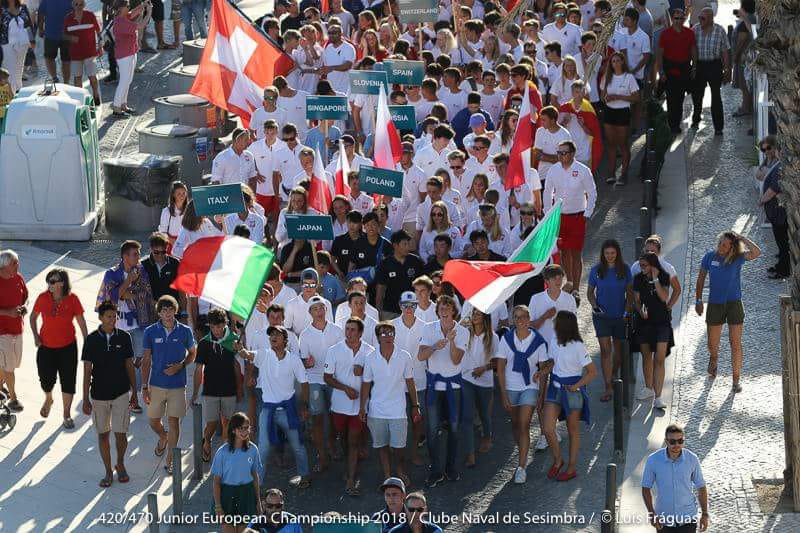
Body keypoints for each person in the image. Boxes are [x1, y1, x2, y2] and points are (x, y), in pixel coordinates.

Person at [242, 325, 311, 488]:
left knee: (298, 446)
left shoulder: (294, 359)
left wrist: (304, 406)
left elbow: (305, 382)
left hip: (288, 411)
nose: (273, 337)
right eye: (271, 334)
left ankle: (305, 476)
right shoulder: (264, 355)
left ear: (285, 340)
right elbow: (247, 355)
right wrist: (240, 349)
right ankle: (257, 485)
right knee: (263, 449)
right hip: (268, 410)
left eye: (277, 334)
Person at [695, 231, 761, 393]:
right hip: (715, 304)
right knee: (712, 343)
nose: (720, 247)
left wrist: (743, 238)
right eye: (719, 243)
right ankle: (714, 357)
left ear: (732, 247)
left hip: (734, 304)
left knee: (735, 344)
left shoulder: (738, 257)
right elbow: (701, 278)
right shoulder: (709, 257)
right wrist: (698, 300)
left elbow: (756, 252)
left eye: (724, 245)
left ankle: (736, 380)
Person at [96, 240, 156, 414]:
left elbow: (143, 292)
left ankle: (134, 397)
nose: (139, 257)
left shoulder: (142, 270)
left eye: (138, 253)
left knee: (139, 359)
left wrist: (124, 292)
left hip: (139, 322)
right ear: (125, 256)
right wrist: (128, 281)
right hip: (117, 325)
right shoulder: (111, 273)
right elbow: (113, 296)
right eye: (135, 254)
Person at [81, 301, 137, 487]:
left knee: (121, 434)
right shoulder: (91, 340)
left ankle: (120, 463)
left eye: (115, 316)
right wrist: (85, 398)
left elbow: (129, 365)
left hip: (121, 393)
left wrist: (134, 392)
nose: (112, 319)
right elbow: (87, 370)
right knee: (103, 434)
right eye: (109, 316)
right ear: (100, 318)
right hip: (98, 395)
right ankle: (107, 471)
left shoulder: (125, 337)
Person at [141, 295, 197, 474]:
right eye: (163, 310)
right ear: (159, 312)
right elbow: (146, 359)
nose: (167, 313)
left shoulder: (185, 331)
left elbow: (192, 354)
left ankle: (170, 460)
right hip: (156, 384)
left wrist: (181, 366)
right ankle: (163, 437)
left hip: (178, 385)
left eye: (170, 309)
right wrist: (144, 386)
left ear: (175, 310)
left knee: (174, 422)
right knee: (153, 420)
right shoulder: (150, 332)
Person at [494, 305, 549, 484]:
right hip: (510, 388)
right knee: (516, 425)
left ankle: (521, 467)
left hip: (529, 387)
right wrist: (502, 394)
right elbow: (500, 369)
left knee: (524, 425)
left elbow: (543, 370)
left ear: (529, 319)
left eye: (523, 317)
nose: (520, 320)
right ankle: (523, 450)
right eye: (516, 317)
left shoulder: (538, 341)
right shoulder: (506, 340)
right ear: (513, 320)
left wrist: (541, 395)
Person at [360, 321, 418, 487]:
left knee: (399, 447)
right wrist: (362, 407)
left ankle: (399, 471)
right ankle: (387, 474)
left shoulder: (404, 356)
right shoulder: (370, 358)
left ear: (394, 336)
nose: (387, 336)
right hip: (376, 411)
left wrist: (416, 406)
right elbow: (366, 384)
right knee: (382, 445)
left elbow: (410, 382)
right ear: (378, 338)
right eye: (383, 333)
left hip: (398, 411)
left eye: (390, 333)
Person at [418, 295, 468, 487]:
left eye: (448, 308)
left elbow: (456, 360)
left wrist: (452, 342)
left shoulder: (462, 331)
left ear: (454, 311)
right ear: (437, 310)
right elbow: (421, 356)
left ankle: (450, 467)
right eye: (441, 308)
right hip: (434, 386)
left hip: (453, 388)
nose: (445, 311)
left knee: (454, 429)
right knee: (431, 430)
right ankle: (435, 469)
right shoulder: (428, 328)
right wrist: (434, 347)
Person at [541, 310, 597, 481]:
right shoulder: (553, 340)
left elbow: (592, 372)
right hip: (555, 387)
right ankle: (558, 460)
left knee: (573, 430)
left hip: (572, 390)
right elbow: (553, 362)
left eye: (556, 321)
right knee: (548, 428)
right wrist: (543, 370)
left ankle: (571, 467)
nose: (554, 324)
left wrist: (576, 386)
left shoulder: (578, 346)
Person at [29, 268, 88, 428]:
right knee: (46, 380)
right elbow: (33, 317)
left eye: (53, 281)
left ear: (62, 283)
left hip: (68, 347)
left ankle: (66, 414)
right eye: (48, 280)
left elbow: (81, 322)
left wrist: (87, 343)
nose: (50, 284)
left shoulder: (72, 299)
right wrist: (35, 335)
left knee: (68, 381)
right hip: (46, 347)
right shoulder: (42, 298)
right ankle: (49, 398)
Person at [324, 317, 371, 495]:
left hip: (360, 406)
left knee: (352, 441)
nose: (349, 332)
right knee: (344, 439)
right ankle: (350, 464)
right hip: (339, 406)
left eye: (353, 330)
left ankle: (351, 479)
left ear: (360, 333)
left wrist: (365, 371)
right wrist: (345, 389)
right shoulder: (334, 350)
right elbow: (327, 377)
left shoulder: (370, 351)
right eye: (347, 329)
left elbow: (377, 376)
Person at [298, 294, 343, 472]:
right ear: (310, 312)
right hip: (315, 379)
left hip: (333, 379)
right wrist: (307, 363)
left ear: (326, 310)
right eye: (314, 309)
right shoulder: (305, 334)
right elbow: (303, 361)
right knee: (317, 418)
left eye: (321, 308)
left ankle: (332, 445)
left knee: (334, 417)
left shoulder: (337, 330)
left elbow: (342, 353)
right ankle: (322, 455)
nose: (318, 312)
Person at [544, 140, 597, 289]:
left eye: (564, 153)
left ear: (572, 153)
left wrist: (588, 213)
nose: (561, 156)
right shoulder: (553, 170)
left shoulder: (583, 170)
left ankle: (576, 288)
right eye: (559, 153)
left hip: (577, 216)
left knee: (575, 253)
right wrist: (548, 212)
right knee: (564, 252)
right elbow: (547, 191)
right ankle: (570, 281)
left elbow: (592, 192)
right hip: (560, 217)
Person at [192, 309, 242, 462]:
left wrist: (240, 389)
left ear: (225, 324)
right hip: (211, 390)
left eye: (219, 327)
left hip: (229, 389)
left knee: (228, 422)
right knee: (211, 423)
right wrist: (195, 393)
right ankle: (206, 441)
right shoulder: (204, 343)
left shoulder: (234, 340)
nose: (217, 331)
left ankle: (224, 455)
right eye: (213, 327)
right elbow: (199, 369)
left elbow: (238, 366)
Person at [587, 240, 633, 402]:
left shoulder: (625, 270)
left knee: (618, 352)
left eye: (612, 253)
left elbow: (629, 293)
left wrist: (627, 311)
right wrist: (594, 306)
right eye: (607, 253)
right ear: (603, 254)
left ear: (617, 253)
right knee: (606, 351)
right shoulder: (596, 270)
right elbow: (590, 292)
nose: (610, 256)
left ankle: (614, 373)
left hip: (620, 316)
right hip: (602, 317)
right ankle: (608, 386)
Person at [642, 423, 710, 532]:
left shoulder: (692, 459)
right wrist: (652, 514)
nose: (676, 445)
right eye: (672, 442)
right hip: (664, 519)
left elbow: (701, 486)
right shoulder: (653, 460)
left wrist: (705, 514)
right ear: (666, 441)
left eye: (680, 441)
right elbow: (645, 488)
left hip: (688, 518)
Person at [633, 252, 673, 410]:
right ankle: (648, 388)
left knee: (660, 359)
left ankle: (659, 396)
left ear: (653, 265)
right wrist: (640, 310)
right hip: (644, 323)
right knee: (646, 356)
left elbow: (664, 297)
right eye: (640, 265)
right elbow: (636, 300)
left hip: (662, 322)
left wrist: (655, 278)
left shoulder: (663, 276)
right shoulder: (637, 278)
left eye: (644, 265)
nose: (641, 268)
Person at [211, 412, 261, 533]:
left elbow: (255, 476)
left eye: (247, 428)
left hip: (246, 493)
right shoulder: (222, 452)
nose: (244, 431)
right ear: (233, 430)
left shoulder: (253, 449)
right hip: (227, 493)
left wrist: (258, 500)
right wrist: (218, 506)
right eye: (241, 428)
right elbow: (216, 482)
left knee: (244, 530)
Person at [460, 309, 496, 468]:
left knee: (484, 413)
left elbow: (498, 361)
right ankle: (470, 453)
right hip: (466, 378)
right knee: (467, 417)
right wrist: (461, 324)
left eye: (478, 314)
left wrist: (484, 368)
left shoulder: (493, 337)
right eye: (473, 314)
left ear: (484, 318)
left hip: (485, 381)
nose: (474, 317)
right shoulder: (465, 333)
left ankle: (487, 436)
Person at [654, 8, 697, 134]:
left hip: (684, 68)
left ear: (684, 19)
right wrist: (660, 72)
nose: (678, 21)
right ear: (672, 19)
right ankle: (671, 123)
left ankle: (675, 123)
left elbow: (693, 50)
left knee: (679, 98)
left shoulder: (689, 33)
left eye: (681, 18)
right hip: (669, 68)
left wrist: (694, 67)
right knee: (671, 98)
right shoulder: (665, 33)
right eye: (676, 18)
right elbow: (659, 54)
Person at [600, 51, 639, 184]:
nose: (616, 63)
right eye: (613, 61)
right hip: (609, 112)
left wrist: (619, 97)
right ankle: (611, 173)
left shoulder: (629, 77)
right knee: (610, 144)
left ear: (623, 62)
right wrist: (607, 98)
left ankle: (624, 174)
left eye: (618, 60)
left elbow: (636, 97)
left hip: (623, 112)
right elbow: (602, 96)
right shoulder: (607, 77)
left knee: (623, 144)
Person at [690, 7, 729, 135]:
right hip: (700, 65)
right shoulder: (695, 29)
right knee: (697, 95)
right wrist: (693, 67)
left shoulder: (720, 30)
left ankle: (718, 127)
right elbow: (690, 48)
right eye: (699, 17)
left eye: (703, 18)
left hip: (714, 65)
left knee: (716, 97)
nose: (700, 20)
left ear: (711, 19)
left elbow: (725, 52)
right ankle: (695, 119)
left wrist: (727, 69)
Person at [757, 139, 789, 279]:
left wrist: (762, 200)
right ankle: (780, 266)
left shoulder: (780, 167)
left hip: (779, 213)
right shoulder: (776, 164)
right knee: (780, 243)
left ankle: (783, 270)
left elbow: (775, 188)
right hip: (776, 213)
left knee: (783, 244)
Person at [0, 249, 27, 413]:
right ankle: (13, 399)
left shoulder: (18, 278)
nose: (18, 265)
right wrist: (7, 312)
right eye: (14, 263)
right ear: (4, 266)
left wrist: (24, 308)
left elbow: (25, 297)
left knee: (12, 363)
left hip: (17, 328)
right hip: (2, 332)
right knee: (9, 366)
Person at [111, 0, 148, 117]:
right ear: (121, 8)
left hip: (130, 52)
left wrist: (142, 5)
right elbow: (141, 25)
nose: (129, 7)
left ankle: (123, 104)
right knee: (124, 81)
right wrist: (149, 12)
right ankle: (116, 107)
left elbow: (133, 13)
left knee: (128, 80)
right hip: (124, 55)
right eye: (127, 6)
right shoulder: (121, 22)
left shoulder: (124, 17)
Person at [63, 0, 101, 104]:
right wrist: (71, 37)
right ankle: (80, 99)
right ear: (73, 5)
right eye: (76, 4)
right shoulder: (68, 18)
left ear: (84, 4)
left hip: (90, 52)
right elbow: (63, 35)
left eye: (81, 4)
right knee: (77, 78)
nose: (79, 6)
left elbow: (98, 31)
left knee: (92, 76)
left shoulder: (90, 15)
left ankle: (96, 95)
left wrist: (100, 46)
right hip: (75, 54)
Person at [284, 269, 334, 335]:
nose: (309, 288)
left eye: (312, 285)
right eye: (305, 285)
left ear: (317, 284)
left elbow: (329, 328)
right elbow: (287, 328)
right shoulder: (291, 304)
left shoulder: (326, 304)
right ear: (301, 284)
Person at [1, 0, 35, 93]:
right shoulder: (1, 8)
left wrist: (32, 40)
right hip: (6, 45)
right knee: (10, 73)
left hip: (22, 44)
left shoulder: (23, 7)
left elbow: (28, 25)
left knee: (19, 73)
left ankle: (19, 98)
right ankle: (11, 99)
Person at [141, 232, 181, 304]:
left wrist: (184, 311)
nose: (160, 255)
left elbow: (182, 290)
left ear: (167, 248)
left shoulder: (175, 263)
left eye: (163, 252)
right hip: (151, 309)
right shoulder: (143, 265)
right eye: (156, 252)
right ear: (151, 249)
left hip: (172, 309)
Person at [38, 0, 73, 82]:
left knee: (50, 58)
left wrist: (40, 29)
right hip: (65, 34)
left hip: (52, 33)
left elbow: (41, 14)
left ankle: (55, 78)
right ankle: (65, 82)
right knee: (66, 60)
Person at [320, 23, 355, 95]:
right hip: (331, 90)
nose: (331, 35)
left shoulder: (348, 47)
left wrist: (332, 68)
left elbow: (347, 65)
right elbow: (326, 67)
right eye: (329, 33)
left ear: (341, 34)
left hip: (345, 89)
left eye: (334, 33)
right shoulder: (328, 47)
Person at [158, 181, 188, 252]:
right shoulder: (166, 211)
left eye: (184, 193)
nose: (182, 196)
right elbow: (163, 232)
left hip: (187, 244)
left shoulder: (189, 209)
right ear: (173, 195)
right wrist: (176, 243)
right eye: (179, 194)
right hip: (171, 245)